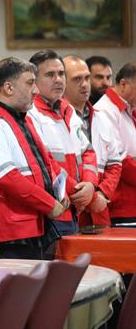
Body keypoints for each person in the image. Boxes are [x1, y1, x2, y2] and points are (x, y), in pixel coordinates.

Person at [0, 57, 65, 259]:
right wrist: (48, 204)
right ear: (9, 88)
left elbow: (44, 162)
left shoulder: (22, 116)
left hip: (36, 223)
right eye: (30, 83)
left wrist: (60, 190)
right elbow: (6, 177)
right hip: (14, 230)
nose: (36, 90)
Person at [27, 50, 96, 236]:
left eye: (61, 73)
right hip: (51, 212)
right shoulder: (30, 113)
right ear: (34, 80)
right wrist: (77, 191)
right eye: (50, 74)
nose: (58, 80)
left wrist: (90, 185)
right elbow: (45, 161)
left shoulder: (68, 110)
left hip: (73, 210)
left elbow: (88, 152)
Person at [63, 56, 122, 225]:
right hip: (72, 207)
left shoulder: (102, 118)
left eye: (87, 78)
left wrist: (102, 193)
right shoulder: (55, 119)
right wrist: (89, 197)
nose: (84, 84)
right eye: (77, 79)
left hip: (99, 210)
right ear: (63, 83)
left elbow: (115, 164)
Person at [92, 61, 136, 225]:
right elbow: (120, 161)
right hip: (121, 204)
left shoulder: (128, 109)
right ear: (123, 84)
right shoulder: (105, 110)